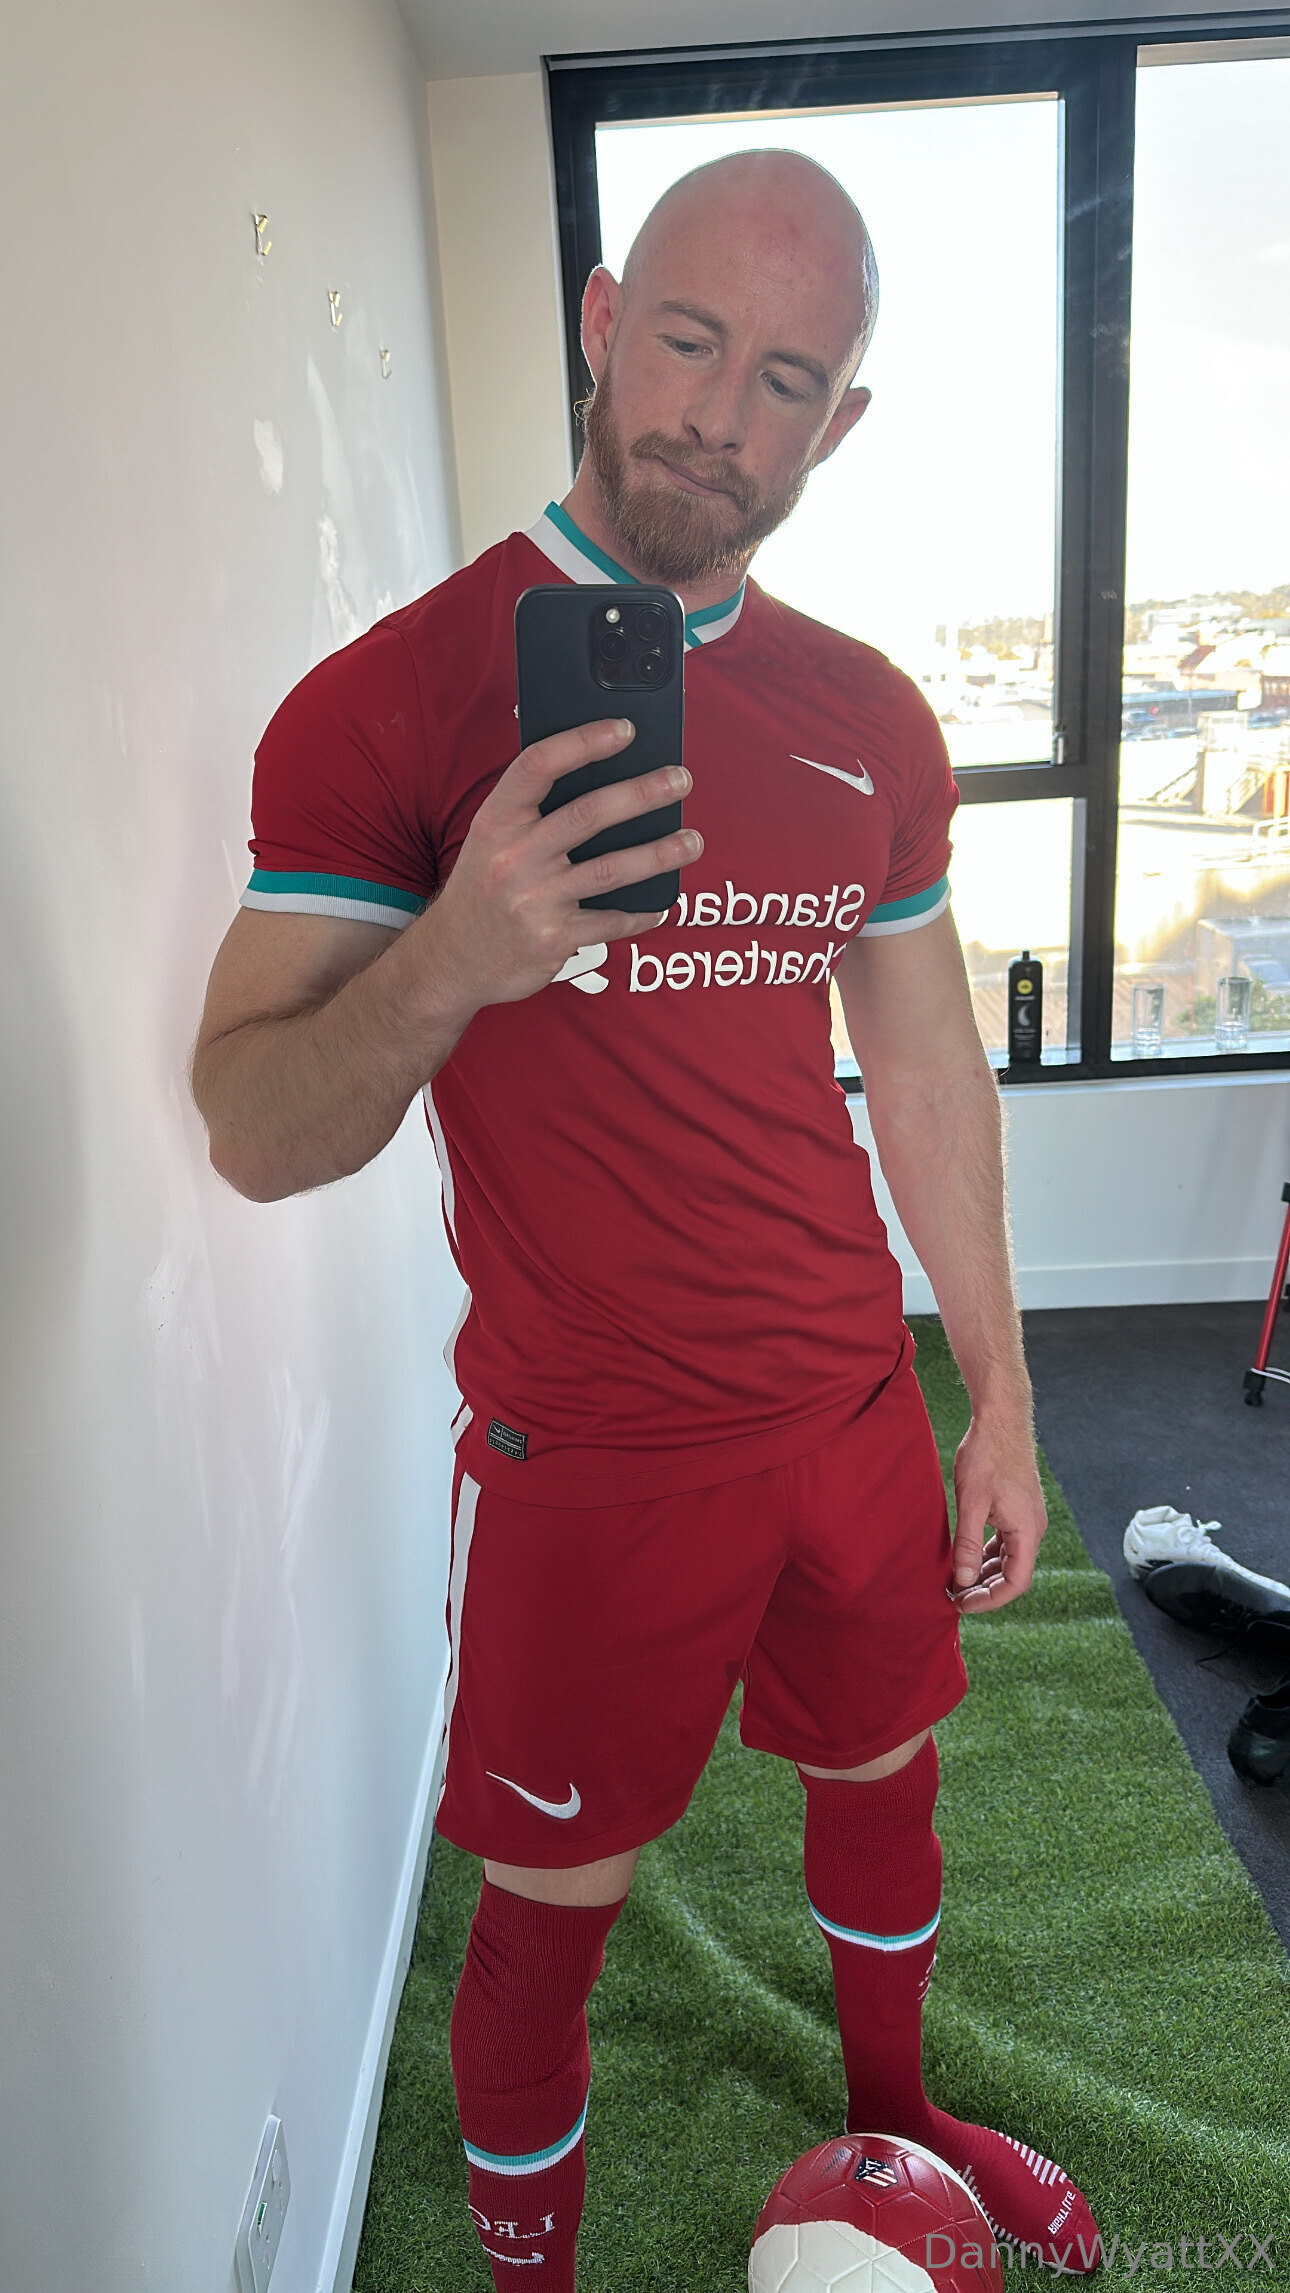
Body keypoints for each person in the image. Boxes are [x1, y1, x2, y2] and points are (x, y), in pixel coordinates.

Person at [192, 150, 1101, 2282]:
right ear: (603, 325)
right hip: (590, 1451)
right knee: (548, 1908)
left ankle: (897, 2118)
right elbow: (251, 1126)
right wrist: (456, 953)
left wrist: (995, 1398)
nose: (720, 412)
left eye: (786, 378)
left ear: (839, 422)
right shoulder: (388, 703)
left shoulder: (867, 716)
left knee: (886, 1774)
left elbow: (929, 1079)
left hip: (844, 1407)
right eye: (687, 341)